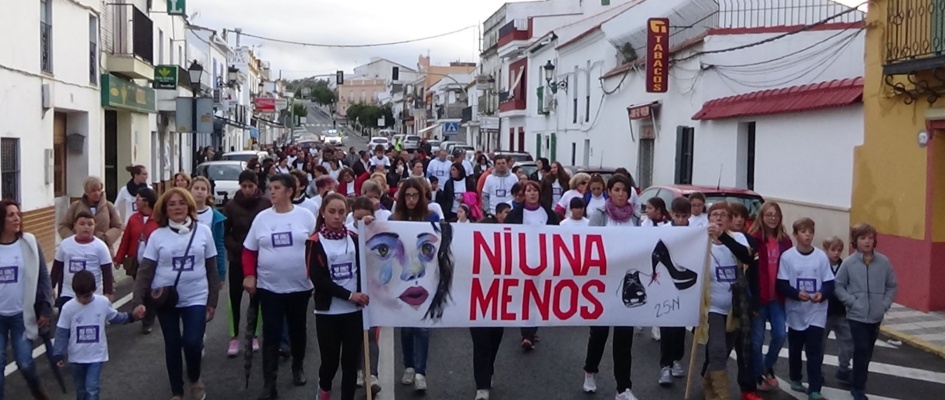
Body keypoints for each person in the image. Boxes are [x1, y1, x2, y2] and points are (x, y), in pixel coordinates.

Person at [131, 188, 221, 400]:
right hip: (166, 298)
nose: (177, 207)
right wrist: (137, 301)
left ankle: (195, 377)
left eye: (181, 203)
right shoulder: (157, 236)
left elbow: (212, 269)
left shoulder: (203, 232)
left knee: (192, 342)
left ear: (189, 206)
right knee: (172, 343)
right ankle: (176, 392)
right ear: (165, 209)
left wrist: (212, 301)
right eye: (171, 204)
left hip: (196, 296)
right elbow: (145, 271)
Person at [242, 174, 318, 399]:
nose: (271, 192)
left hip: (299, 285)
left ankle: (298, 366)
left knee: (297, 329)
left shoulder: (305, 216)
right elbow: (249, 250)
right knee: (271, 332)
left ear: (289, 191)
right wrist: (249, 275)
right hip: (269, 286)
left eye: (276, 188)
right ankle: (269, 382)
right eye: (270, 188)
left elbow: (316, 247)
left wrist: (317, 277)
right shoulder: (262, 218)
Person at [308, 193, 370, 400]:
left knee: (351, 362)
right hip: (328, 312)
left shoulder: (354, 238)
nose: (336, 216)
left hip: (353, 312)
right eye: (332, 211)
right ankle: (324, 388)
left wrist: (372, 223)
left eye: (341, 212)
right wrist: (350, 295)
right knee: (330, 361)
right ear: (323, 213)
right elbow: (318, 278)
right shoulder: (315, 241)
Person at [582, 174, 639, 400]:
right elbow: (589, 245)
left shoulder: (635, 218)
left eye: (624, 190)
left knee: (624, 338)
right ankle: (589, 371)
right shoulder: (599, 216)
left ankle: (623, 387)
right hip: (603, 282)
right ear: (609, 191)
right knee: (599, 334)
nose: (621, 194)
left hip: (627, 282)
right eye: (616, 190)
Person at [699, 201, 756, 400]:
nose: (718, 218)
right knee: (716, 349)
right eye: (714, 215)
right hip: (712, 306)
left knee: (724, 351)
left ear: (730, 220)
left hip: (734, 307)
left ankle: (707, 382)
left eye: (723, 215)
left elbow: (747, 257)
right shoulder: (701, 241)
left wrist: (722, 236)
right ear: (708, 219)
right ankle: (721, 396)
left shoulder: (737, 238)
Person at [834, 223, 897, 400]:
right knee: (860, 349)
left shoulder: (883, 262)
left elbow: (891, 285)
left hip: (875, 315)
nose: (867, 242)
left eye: (870, 238)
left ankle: (856, 377)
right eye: (862, 238)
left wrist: (884, 304)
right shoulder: (849, 263)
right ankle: (858, 388)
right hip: (856, 315)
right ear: (855, 241)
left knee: (867, 352)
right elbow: (838, 285)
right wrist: (851, 302)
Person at [52, 270, 136, 400]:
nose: (83, 300)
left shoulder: (102, 303)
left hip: (96, 356)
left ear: (94, 290)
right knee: (80, 390)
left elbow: (114, 317)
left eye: (87, 296)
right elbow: (62, 332)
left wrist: (131, 317)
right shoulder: (69, 308)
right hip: (76, 357)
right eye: (80, 296)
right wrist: (58, 354)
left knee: (92, 388)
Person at [388, 179, 439, 393]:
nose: (410, 199)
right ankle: (408, 366)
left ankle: (420, 372)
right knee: (406, 327)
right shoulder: (393, 218)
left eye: (414, 195)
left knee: (423, 327)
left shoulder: (431, 217)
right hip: (403, 279)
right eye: (407, 196)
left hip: (426, 277)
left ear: (421, 197)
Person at [0, 200, 53, 400]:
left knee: (24, 362)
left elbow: (43, 277)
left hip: (22, 316)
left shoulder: (29, 242)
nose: (16, 218)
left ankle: (37, 391)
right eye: (10, 215)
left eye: (17, 214)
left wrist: (46, 307)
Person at [776, 218, 833, 400]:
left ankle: (815, 388)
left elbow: (829, 282)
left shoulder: (821, 257)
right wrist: (795, 293)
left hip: (816, 311)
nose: (807, 235)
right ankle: (796, 377)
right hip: (796, 311)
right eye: (803, 231)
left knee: (814, 350)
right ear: (795, 234)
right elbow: (781, 284)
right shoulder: (788, 257)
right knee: (795, 347)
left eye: (810, 231)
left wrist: (821, 294)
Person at [504, 180, 559, 351]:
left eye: (535, 190)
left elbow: (557, 236)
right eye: (529, 191)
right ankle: (526, 333)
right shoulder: (514, 215)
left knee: (538, 295)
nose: (532, 193)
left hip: (543, 260)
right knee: (525, 295)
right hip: (522, 261)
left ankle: (532, 328)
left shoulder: (548, 214)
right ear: (523, 194)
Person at [222, 171, 271, 357]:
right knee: (234, 297)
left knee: (256, 298)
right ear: (240, 186)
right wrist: (237, 248)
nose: (248, 190)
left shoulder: (265, 204)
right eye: (244, 186)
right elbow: (225, 232)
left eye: (251, 186)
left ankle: (254, 335)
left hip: (259, 259)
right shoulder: (231, 206)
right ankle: (233, 337)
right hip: (236, 258)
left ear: (257, 185)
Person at [748, 202, 793, 391]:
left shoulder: (785, 241)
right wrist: (751, 298)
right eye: (769, 214)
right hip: (759, 297)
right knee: (757, 340)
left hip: (778, 297)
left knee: (780, 334)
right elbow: (748, 270)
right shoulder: (754, 239)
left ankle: (766, 367)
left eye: (776, 215)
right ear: (762, 217)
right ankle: (758, 375)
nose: (773, 218)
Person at [113, 188, 159, 333]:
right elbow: (126, 239)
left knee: (151, 291)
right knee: (141, 289)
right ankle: (144, 312)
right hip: (137, 262)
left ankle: (148, 320)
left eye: (138, 199)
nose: (135, 201)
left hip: (154, 263)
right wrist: (119, 258)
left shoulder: (159, 219)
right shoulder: (133, 219)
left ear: (146, 202)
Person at [657, 197, 691, 387]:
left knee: (680, 326)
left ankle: (677, 358)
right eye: (677, 216)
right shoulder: (663, 231)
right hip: (666, 284)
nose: (680, 220)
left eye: (684, 217)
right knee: (667, 325)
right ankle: (665, 365)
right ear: (671, 214)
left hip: (686, 283)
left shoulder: (695, 232)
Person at [51, 212, 115, 308]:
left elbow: (107, 273)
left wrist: (108, 293)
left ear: (94, 226)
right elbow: (56, 268)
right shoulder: (65, 244)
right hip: (68, 294)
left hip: (93, 295)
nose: (86, 227)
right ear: (75, 226)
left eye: (90, 224)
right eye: (82, 224)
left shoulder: (101, 247)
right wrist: (50, 287)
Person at [57, 176, 123, 249]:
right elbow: (63, 226)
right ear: (86, 192)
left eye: (99, 190)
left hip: (102, 248)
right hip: (80, 248)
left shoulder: (108, 206)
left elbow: (118, 226)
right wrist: (73, 238)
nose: (97, 193)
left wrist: (106, 238)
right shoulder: (76, 206)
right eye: (93, 191)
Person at [822, 236, 852, 384]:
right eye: (833, 250)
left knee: (847, 343)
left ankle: (844, 369)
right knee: (820, 343)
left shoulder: (845, 267)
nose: (836, 253)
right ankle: (817, 370)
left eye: (839, 250)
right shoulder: (821, 265)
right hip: (824, 312)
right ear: (826, 250)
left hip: (841, 312)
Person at [191, 177, 227, 283]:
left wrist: (221, 272)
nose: (199, 192)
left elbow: (219, 245)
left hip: (208, 264)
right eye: (196, 188)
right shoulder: (184, 214)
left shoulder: (215, 217)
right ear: (190, 190)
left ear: (208, 193)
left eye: (203, 189)